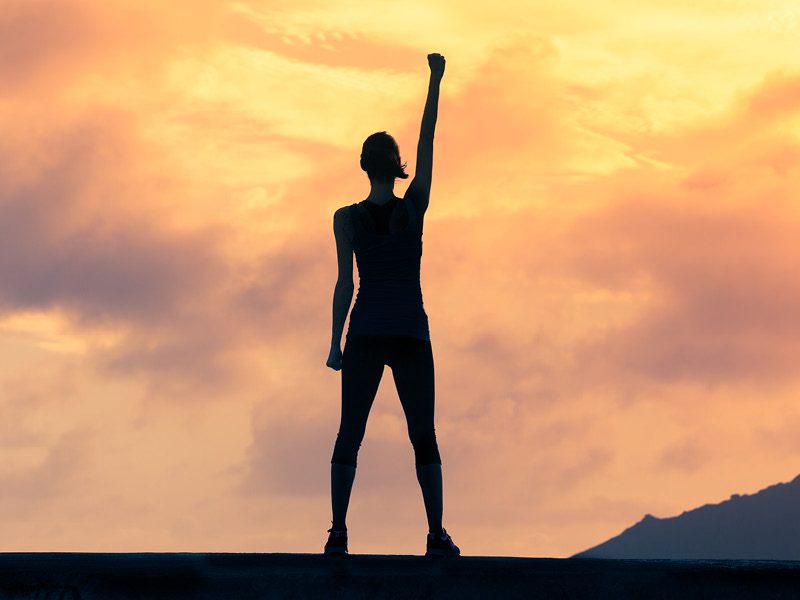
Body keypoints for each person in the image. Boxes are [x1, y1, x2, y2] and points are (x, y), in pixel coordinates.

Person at [324, 53, 460, 558]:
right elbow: (429, 137)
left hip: (364, 333)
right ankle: (435, 535)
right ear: (397, 166)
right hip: (410, 333)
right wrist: (434, 80)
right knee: (423, 435)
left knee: (349, 435)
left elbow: (345, 286)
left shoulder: (346, 218)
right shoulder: (413, 207)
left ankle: (337, 532)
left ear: (364, 166)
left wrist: (334, 345)